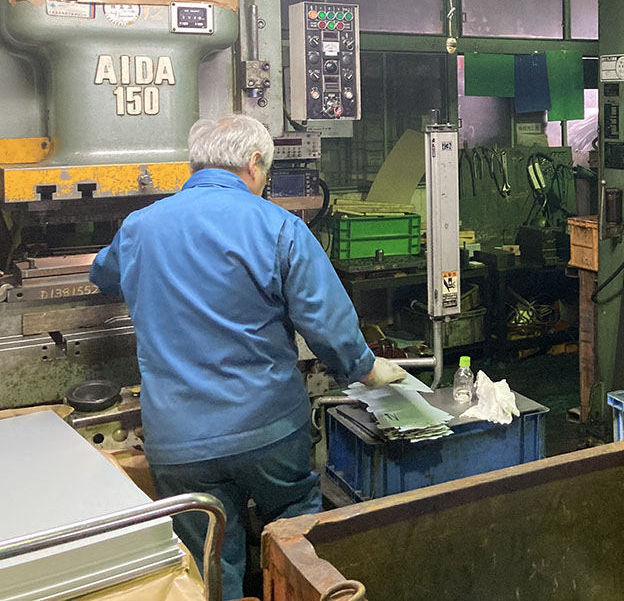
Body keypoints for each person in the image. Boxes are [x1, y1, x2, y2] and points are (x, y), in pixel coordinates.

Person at [90, 114, 408, 600]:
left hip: (179, 440)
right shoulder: (280, 227)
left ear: (195, 163)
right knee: (295, 537)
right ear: (255, 163)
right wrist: (366, 368)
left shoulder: (139, 226)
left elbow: (103, 274)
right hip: (269, 430)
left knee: (207, 561)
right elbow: (326, 323)